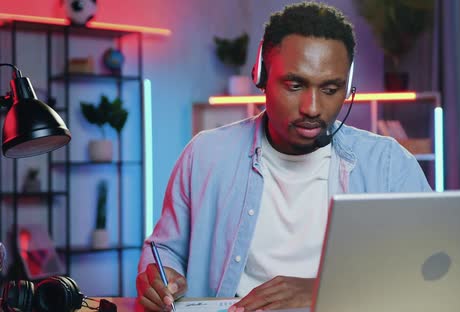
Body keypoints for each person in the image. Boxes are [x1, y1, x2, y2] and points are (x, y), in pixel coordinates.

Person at [136, 2, 431, 311]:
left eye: (331, 89)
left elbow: (428, 268)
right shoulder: (205, 155)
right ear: (261, 74)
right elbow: (164, 250)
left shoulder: (388, 165)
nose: (313, 107)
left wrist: (321, 290)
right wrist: (157, 277)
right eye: (295, 85)